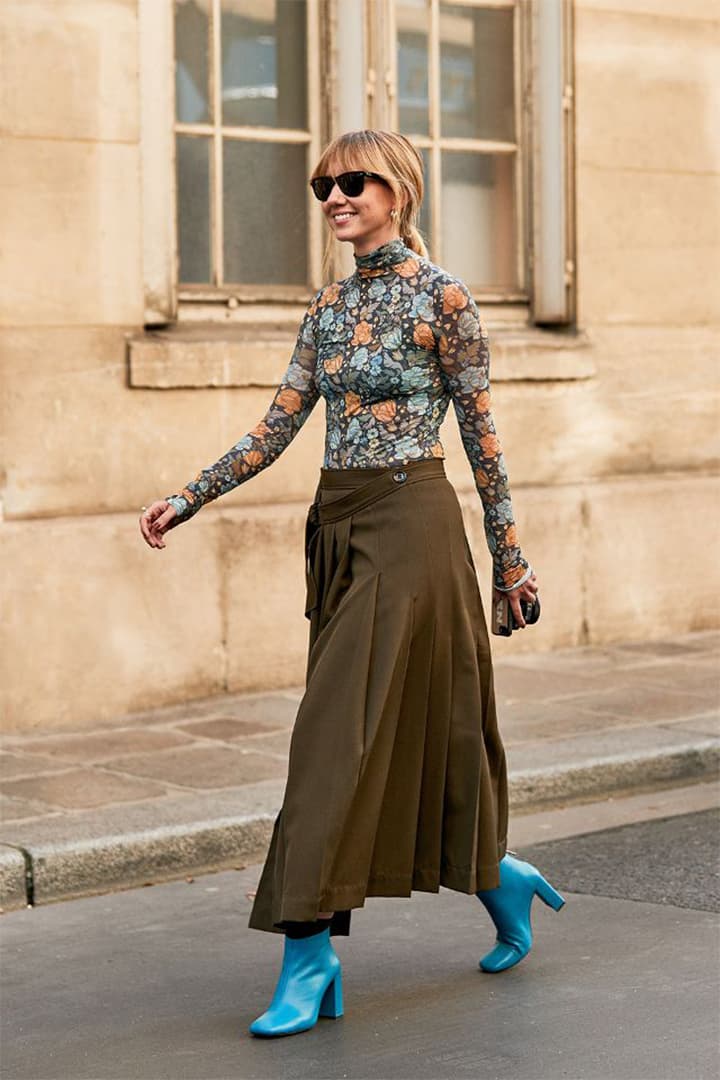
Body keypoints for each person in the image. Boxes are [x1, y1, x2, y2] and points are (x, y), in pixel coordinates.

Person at [139, 129, 566, 1039]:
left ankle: (309, 957)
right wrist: (188, 497)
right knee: (424, 732)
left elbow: (483, 440)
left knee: (331, 745)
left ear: (397, 191)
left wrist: (511, 560)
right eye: (322, 184)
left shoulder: (445, 299)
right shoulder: (328, 306)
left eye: (354, 181)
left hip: (412, 529)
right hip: (337, 532)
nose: (334, 196)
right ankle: (500, 878)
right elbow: (277, 426)